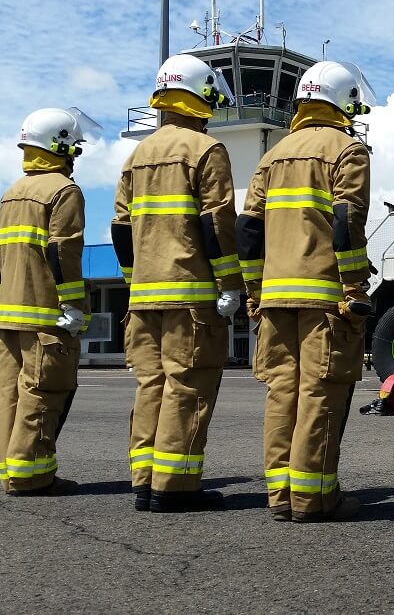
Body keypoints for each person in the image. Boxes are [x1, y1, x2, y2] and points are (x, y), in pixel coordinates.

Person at [236, 60, 373, 522]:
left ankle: (280, 495)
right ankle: (313, 498)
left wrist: (254, 291)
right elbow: (346, 224)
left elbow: (248, 230)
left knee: (282, 393)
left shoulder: (270, 156)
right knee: (320, 393)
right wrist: (354, 286)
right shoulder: (346, 150)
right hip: (323, 299)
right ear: (345, 100)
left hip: (275, 301)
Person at [111, 54, 244, 512]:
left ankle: (143, 482)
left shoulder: (136, 156)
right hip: (190, 297)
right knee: (187, 386)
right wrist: (230, 282)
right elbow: (216, 224)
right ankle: (175, 488)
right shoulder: (204, 150)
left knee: (151, 385)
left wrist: (136, 282)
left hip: (144, 298)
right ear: (202, 96)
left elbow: (121, 231)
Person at [0, 107, 95, 495]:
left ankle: (11, 472)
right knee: (44, 391)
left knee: (10, 396)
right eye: (75, 148)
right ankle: (31, 475)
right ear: (61, 144)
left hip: (7, 320)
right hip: (44, 318)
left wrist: (5, 304)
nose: (76, 157)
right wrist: (72, 305)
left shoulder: (10, 194)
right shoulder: (63, 191)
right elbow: (63, 253)